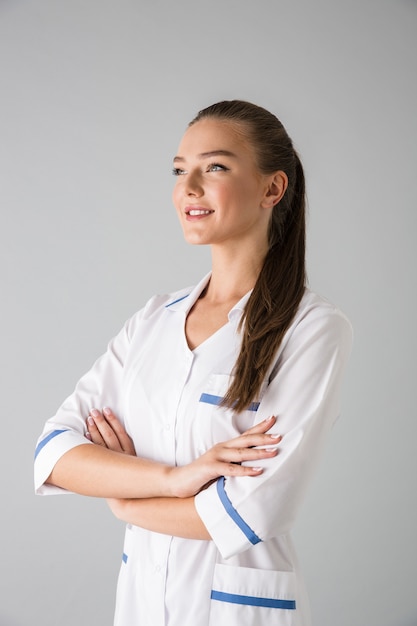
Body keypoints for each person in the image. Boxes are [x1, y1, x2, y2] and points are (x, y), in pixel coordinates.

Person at [34, 99, 352, 626]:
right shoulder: (153, 320)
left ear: (273, 189)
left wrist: (123, 499)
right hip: (140, 604)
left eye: (216, 167)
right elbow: (53, 452)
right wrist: (175, 479)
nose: (189, 187)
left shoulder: (313, 328)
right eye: (180, 170)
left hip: (238, 609)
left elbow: (252, 512)